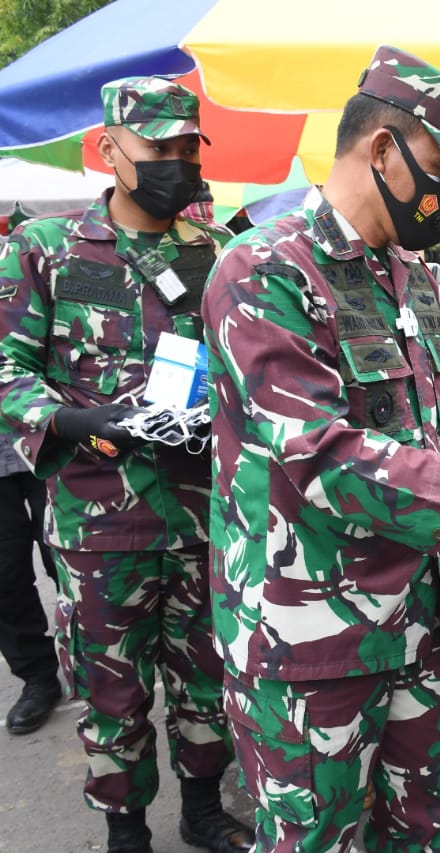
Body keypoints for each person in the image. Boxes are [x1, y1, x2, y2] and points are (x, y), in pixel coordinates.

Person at [202, 46, 440, 853]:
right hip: (311, 641)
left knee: (427, 832)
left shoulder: (406, 272)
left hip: (422, 624)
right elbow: (320, 456)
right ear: (382, 150)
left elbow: (422, 416)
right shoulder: (262, 271)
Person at [0, 77, 251, 853]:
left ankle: (203, 806)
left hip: (204, 511)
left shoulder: (222, 255)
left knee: (207, 678)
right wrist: (73, 418)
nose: (176, 163)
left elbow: (254, 368)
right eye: (158, 149)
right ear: (110, 150)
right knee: (112, 689)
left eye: (187, 149)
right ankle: (125, 825)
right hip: (98, 518)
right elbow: (6, 367)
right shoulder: (45, 249)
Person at [0, 451, 60, 735]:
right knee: (5, 576)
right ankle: (37, 676)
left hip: (49, 437)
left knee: (67, 561)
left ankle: (96, 671)